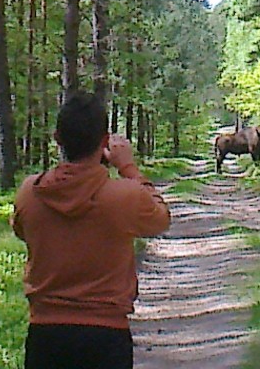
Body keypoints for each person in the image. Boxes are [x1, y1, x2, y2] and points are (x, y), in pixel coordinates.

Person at [11, 92, 170, 369]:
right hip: (106, 335)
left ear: (57, 138)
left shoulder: (29, 193)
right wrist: (128, 167)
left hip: (45, 334)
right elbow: (161, 219)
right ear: (105, 141)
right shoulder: (125, 196)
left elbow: (22, 231)